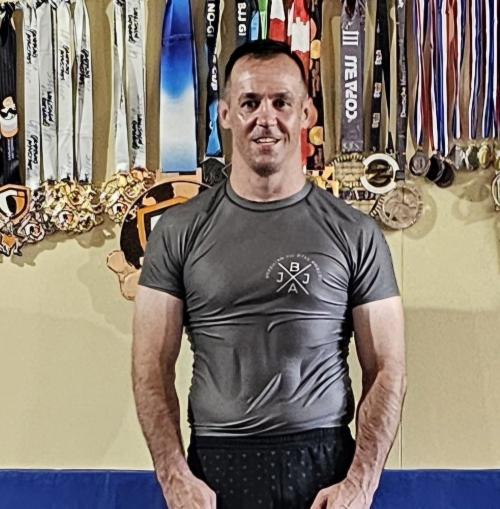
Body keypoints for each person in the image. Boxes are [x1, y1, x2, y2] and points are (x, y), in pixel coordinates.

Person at [132, 40, 406, 509]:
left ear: (306, 114)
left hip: (324, 466)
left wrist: (361, 482)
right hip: (216, 468)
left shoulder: (356, 233)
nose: (266, 118)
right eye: (250, 102)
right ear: (224, 114)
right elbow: (150, 366)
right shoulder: (177, 231)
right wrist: (174, 475)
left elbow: (387, 367)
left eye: (281, 102)